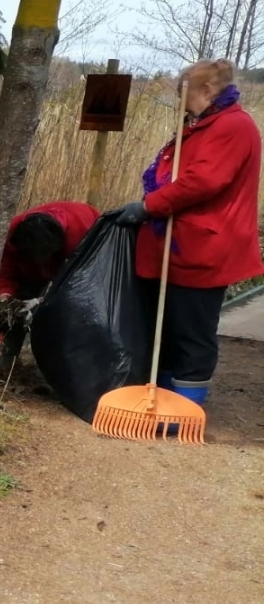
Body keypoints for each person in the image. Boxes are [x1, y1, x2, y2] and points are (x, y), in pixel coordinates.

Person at [113, 58, 263, 413]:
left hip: (203, 247)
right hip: (180, 245)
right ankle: (161, 400)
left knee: (191, 333)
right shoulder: (204, 124)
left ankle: (183, 411)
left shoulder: (232, 127)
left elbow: (203, 181)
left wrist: (150, 206)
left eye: (185, 95)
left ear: (207, 91)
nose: (181, 104)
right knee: (168, 329)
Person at [0, 201, 100, 375]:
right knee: (18, 308)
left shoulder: (81, 231)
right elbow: (7, 272)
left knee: (64, 315)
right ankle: (9, 356)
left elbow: (79, 283)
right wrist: (8, 300)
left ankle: (56, 368)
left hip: (74, 266)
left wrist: (42, 302)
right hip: (31, 272)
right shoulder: (14, 234)